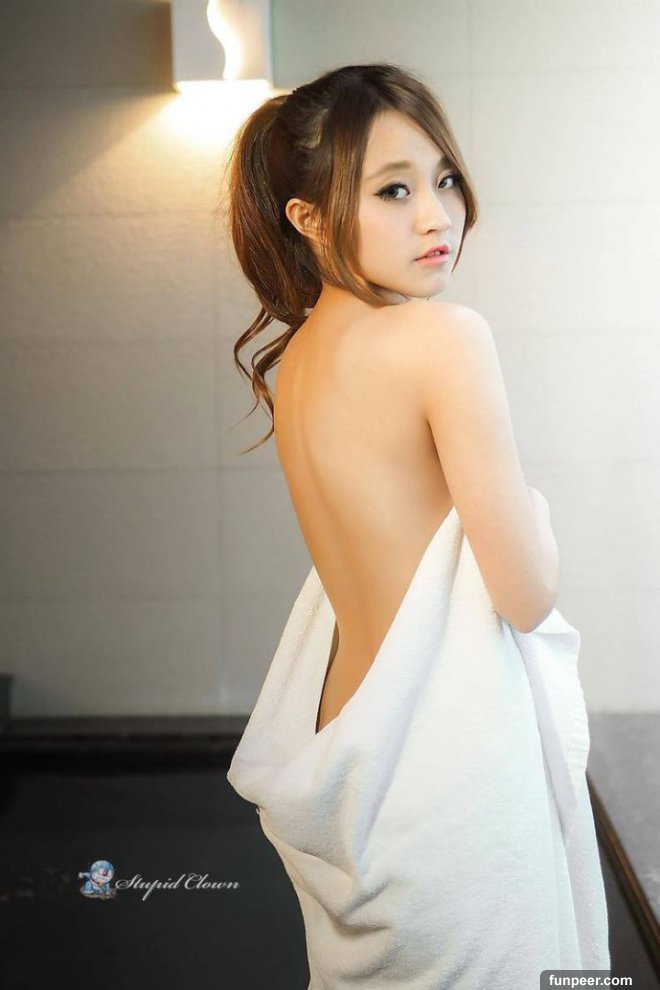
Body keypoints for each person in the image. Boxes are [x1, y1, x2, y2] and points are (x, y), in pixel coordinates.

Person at [223, 63, 610, 988]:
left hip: (352, 765)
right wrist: (531, 508)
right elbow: (526, 593)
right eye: (393, 191)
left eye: (444, 180)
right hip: (446, 775)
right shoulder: (443, 339)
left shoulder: (300, 362)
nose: (437, 216)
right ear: (309, 218)